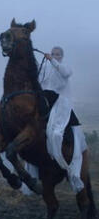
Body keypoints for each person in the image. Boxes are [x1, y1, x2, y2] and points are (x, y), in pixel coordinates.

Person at [26, 46, 88, 193]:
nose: (55, 56)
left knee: (57, 133)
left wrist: (52, 60)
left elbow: (65, 72)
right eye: (53, 54)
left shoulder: (65, 67)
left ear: (62, 56)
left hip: (61, 104)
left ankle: (66, 162)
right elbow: (38, 82)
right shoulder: (45, 69)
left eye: (58, 54)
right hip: (46, 103)